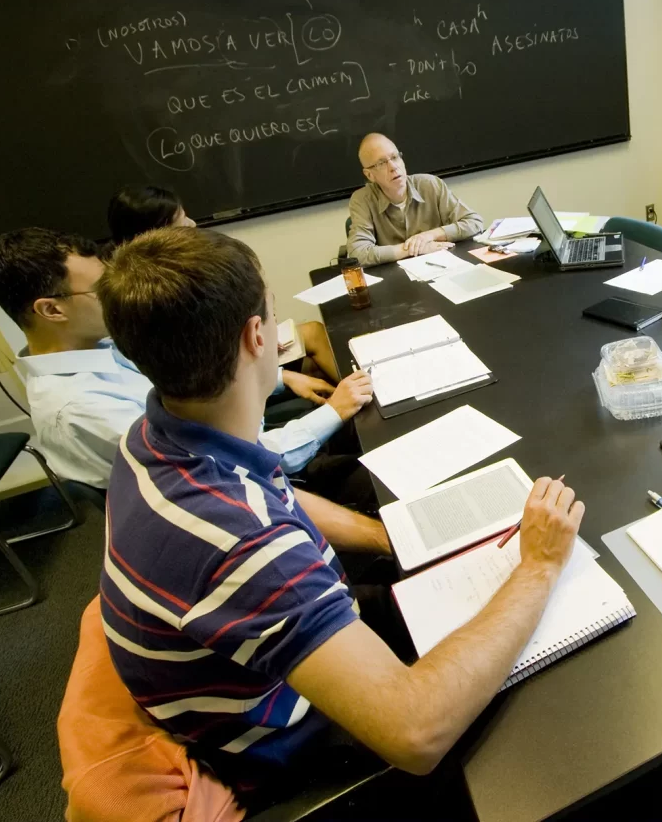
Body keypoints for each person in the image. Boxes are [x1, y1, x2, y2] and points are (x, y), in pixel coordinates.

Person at [95, 226, 584, 809]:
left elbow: (277, 495)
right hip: (301, 741)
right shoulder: (241, 544)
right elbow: (415, 731)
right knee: (557, 672)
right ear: (257, 336)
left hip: (268, 662)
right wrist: (539, 566)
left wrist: (389, 537)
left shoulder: (154, 439)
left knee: (469, 575)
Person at [0, 227, 372, 489]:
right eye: (100, 290)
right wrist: (333, 413)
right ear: (51, 310)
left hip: (254, 454)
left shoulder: (101, 347)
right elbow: (236, 465)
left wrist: (281, 380)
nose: (115, 295)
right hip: (255, 488)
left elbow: (202, 384)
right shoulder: (80, 410)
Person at [107, 184, 341, 383]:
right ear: (156, 235)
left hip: (236, 349)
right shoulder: (164, 290)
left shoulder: (134, 278)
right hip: (222, 369)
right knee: (313, 338)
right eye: (181, 222)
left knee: (316, 357)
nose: (192, 225)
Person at [344, 133, 484, 266]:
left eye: (394, 157)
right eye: (381, 163)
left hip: (442, 268)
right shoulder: (362, 200)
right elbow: (358, 254)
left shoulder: (429, 184)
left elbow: (474, 223)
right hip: (396, 280)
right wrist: (413, 248)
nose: (393, 167)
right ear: (369, 175)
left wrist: (429, 236)